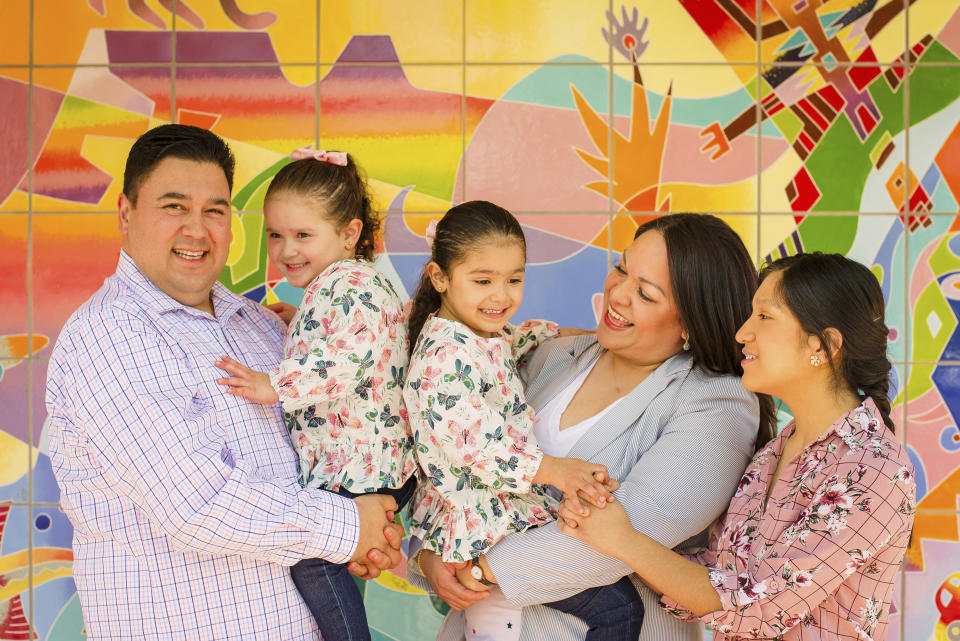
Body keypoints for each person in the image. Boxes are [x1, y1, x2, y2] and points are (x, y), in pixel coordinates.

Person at [45, 124, 402, 641]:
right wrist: (351, 529)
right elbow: (198, 506)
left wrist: (368, 539)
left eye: (214, 210)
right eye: (174, 207)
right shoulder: (108, 337)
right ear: (126, 214)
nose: (197, 230)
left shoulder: (259, 326)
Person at [381, 213, 775, 641]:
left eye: (644, 293)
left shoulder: (716, 403)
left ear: (689, 322)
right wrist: (432, 555)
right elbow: (451, 449)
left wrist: (479, 565)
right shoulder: (554, 354)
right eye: (622, 268)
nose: (618, 293)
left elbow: (631, 533)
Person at [557, 252, 916, 640]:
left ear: (823, 345)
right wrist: (602, 521)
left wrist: (625, 540)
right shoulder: (773, 454)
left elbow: (759, 609)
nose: (743, 332)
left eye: (764, 316)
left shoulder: (874, 468)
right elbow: (711, 573)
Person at [402, 201, 644, 641]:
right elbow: (471, 442)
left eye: (514, 279)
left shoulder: (480, 335)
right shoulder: (444, 355)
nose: (501, 295)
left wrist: (597, 337)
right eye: (483, 281)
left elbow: (529, 333)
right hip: (482, 522)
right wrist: (553, 469)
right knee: (619, 608)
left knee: (501, 620)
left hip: (491, 518)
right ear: (440, 278)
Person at [213, 146, 417, 641]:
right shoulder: (334, 286)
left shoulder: (352, 283)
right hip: (361, 459)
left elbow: (350, 358)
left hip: (364, 462)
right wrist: (295, 330)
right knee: (329, 557)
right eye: (276, 235)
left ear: (349, 234)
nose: (287, 250)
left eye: (304, 235)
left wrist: (274, 383)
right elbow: (342, 346)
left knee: (313, 562)